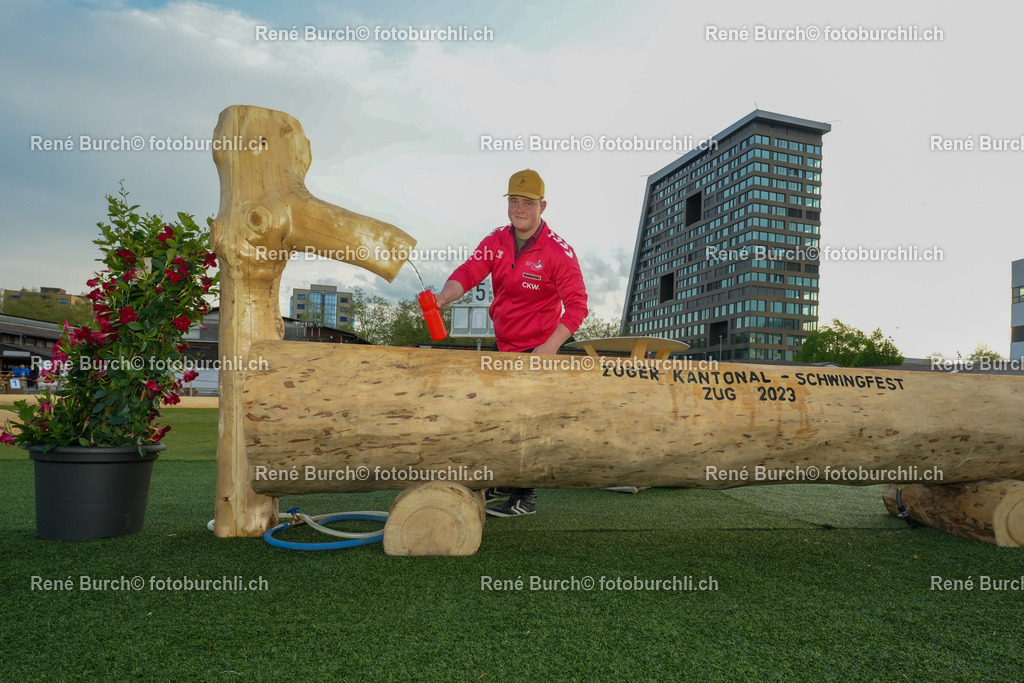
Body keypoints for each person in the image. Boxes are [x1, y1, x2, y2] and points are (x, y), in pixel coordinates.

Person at [435, 169, 588, 517]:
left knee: (525, 420)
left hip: (537, 349)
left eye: (528, 203)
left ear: (542, 206)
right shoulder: (497, 240)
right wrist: (444, 296)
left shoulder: (558, 251)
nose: (519, 209)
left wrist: (549, 348)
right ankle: (505, 480)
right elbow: (470, 271)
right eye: (514, 201)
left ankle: (526, 496)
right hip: (504, 344)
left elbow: (578, 306)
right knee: (497, 416)